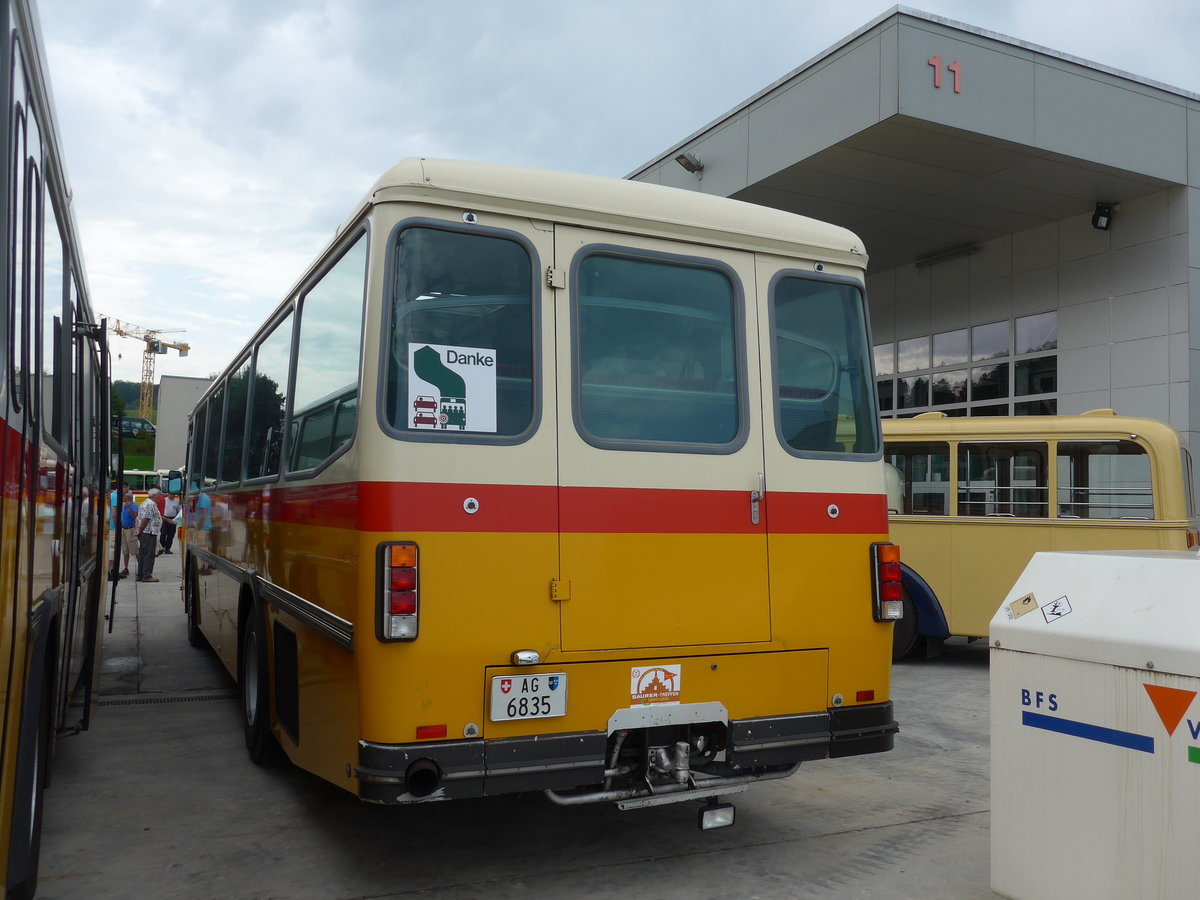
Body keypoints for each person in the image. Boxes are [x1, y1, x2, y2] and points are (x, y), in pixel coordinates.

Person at [134, 488, 163, 583]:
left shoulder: (145, 503)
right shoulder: (150, 504)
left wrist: (139, 530)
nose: (160, 497)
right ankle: (146, 575)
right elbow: (146, 519)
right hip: (149, 533)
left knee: (142, 555)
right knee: (148, 555)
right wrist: (140, 530)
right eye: (159, 495)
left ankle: (140, 574)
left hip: (146, 533)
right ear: (153, 496)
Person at [117, 490, 138, 578]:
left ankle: (140, 567)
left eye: (124, 497)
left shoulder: (134, 505)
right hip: (123, 529)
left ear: (128, 498)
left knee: (135, 549)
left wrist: (129, 507)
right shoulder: (123, 506)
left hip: (130, 529)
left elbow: (135, 515)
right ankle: (126, 568)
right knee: (125, 550)